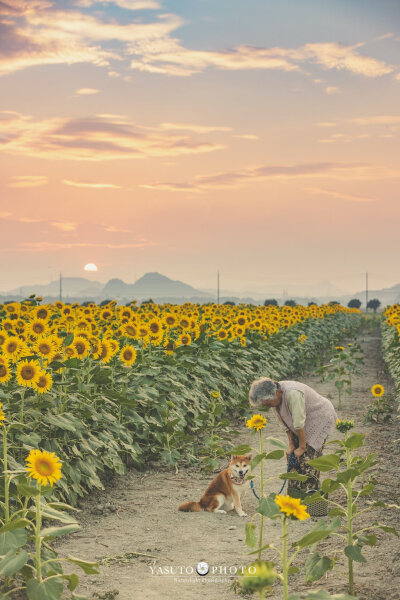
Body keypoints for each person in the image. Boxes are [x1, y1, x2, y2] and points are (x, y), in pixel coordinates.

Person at [248, 377, 337, 492]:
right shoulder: (275, 399)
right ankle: (295, 495)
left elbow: (299, 423)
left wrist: (302, 447)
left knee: (309, 460)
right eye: (266, 405)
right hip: (302, 422)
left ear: (277, 393)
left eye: (268, 404)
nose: (268, 407)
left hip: (320, 417)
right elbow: (285, 424)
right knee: (293, 459)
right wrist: (291, 445)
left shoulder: (292, 393)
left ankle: (310, 496)